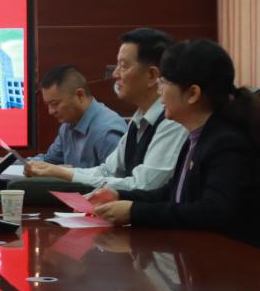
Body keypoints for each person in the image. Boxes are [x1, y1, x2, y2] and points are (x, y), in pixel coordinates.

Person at [92, 39, 260, 254]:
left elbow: (213, 211)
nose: (159, 91)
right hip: (204, 257)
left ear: (192, 94)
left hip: (239, 261)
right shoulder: (197, 136)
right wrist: (120, 196)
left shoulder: (227, 144)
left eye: (164, 83)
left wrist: (134, 212)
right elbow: (172, 193)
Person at [26, 28, 188, 191]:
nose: (115, 74)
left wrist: (65, 174)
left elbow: (143, 185)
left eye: (123, 66)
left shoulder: (173, 121)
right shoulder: (138, 121)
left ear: (152, 75)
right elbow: (107, 171)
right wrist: (59, 172)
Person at [27, 65, 126, 168]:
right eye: (48, 105)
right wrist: (25, 164)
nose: (51, 111)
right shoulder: (67, 126)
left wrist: (67, 172)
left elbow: (114, 177)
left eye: (55, 104)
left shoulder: (107, 132)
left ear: (80, 95)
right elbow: (49, 160)